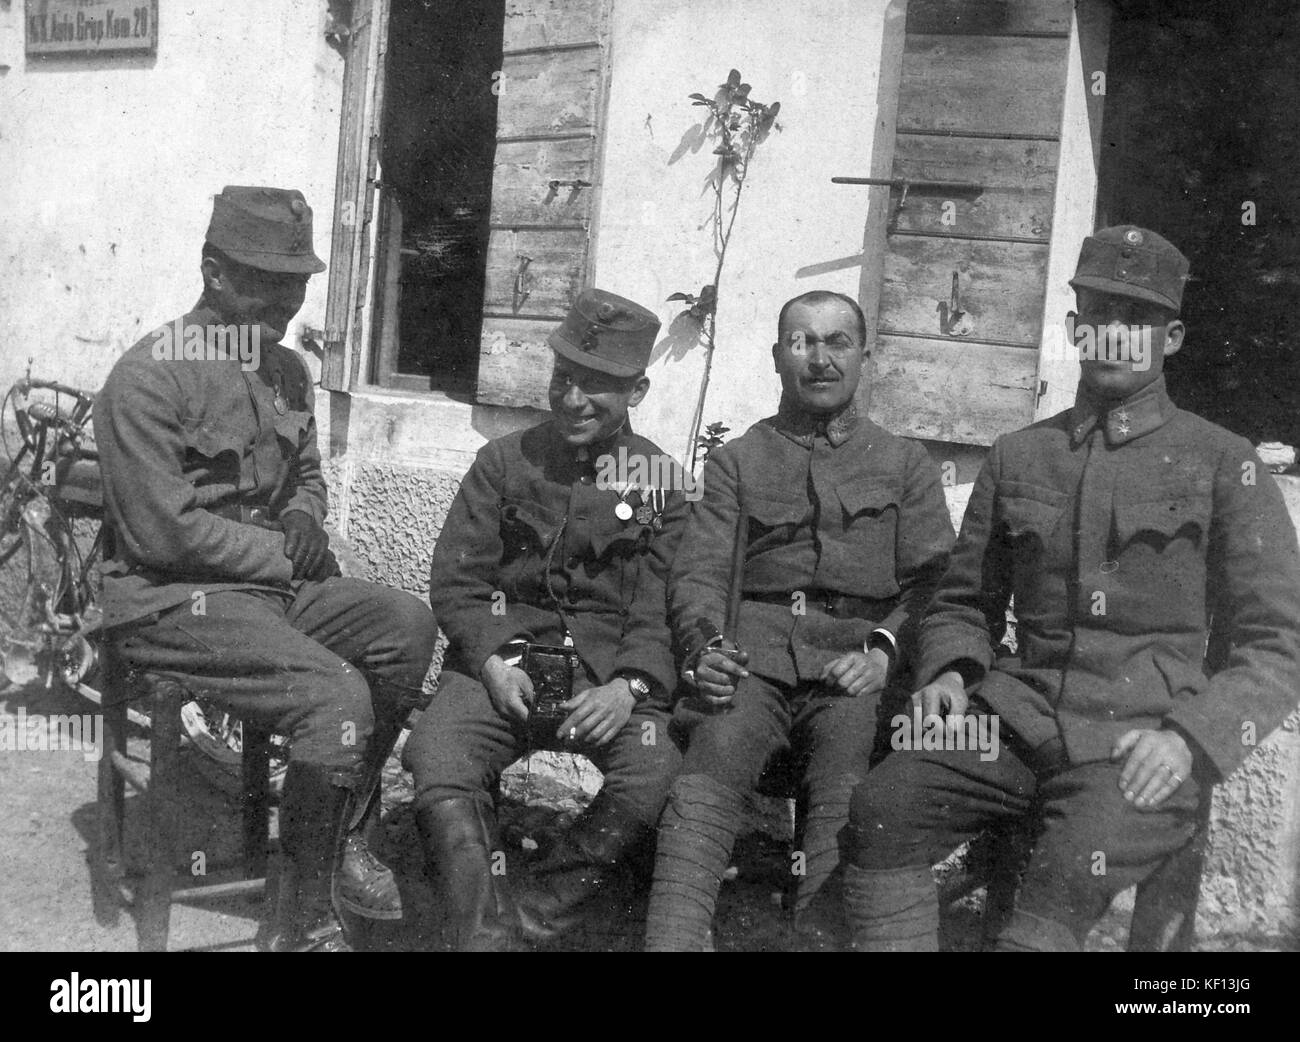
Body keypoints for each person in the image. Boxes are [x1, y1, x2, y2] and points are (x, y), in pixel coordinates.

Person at [843, 226, 1300, 951]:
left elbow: (1279, 645)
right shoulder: (1020, 454)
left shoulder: (1225, 463)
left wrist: (1192, 741)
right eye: (1100, 315)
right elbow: (966, 601)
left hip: (1143, 736)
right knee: (882, 807)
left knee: (1058, 886)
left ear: (1172, 336)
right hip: (1017, 720)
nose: (1116, 335)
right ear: (1074, 328)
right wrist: (953, 675)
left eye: (1138, 319)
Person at [96, 186, 437, 951]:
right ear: (213, 272)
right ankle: (306, 923)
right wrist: (286, 552)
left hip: (265, 593)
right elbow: (162, 533)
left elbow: (308, 474)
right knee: (334, 696)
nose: (286, 301)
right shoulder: (148, 376)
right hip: (169, 601)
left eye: (297, 282)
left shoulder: (286, 371)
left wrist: (305, 514)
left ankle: (341, 836)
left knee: (405, 627)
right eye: (266, 280)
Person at [644, 290, 955, 951]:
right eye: (802, 342)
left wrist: (884, 651)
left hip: (855, 666)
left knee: (844, 781)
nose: (819, 359)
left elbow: (936, 585)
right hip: (753, 659)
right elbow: (698, 574)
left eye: (837, 342)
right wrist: (704, 647)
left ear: (864, 357)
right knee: (712, 762)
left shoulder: (905, 465)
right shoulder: (736, 462)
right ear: (778, 357)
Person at [403, 288, 686, 950]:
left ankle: (536, 908)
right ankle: (487, 933)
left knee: (655, 770)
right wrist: (493, 660)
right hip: (505, 668)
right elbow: (459, 582)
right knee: (439, 752)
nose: (574, 399)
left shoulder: (661, 484)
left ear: (637, 390)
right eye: (565, 378)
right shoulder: (504, 463)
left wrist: (631, 686)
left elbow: (663, 605)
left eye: (599, 386)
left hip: (607, 681)